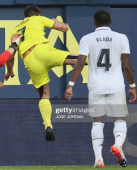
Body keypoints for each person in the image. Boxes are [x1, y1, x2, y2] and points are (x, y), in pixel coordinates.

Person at [65, 10, 136, 168]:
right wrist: (132, 86)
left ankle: (98, 159)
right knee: (119, 120)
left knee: (97, 123)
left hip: (96, 86)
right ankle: (117, 145)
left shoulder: (87, 39)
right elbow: (126, 66)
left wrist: (71, 85)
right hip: (116, 86)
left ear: (94, 22)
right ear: (110, 21)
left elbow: (80, 63)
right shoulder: (121, 38)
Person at [5, 5, 78, 141]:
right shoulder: (39, 19)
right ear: (38, 15)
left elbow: (10, 56)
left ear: (24, 17)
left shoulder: (15, 30)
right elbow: (64, 28)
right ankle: (105, 63)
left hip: (29, 61)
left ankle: (48, 125)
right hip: (42, 51)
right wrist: (55, 21)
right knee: (80, 59)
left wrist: (9, 72)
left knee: (45, 95)